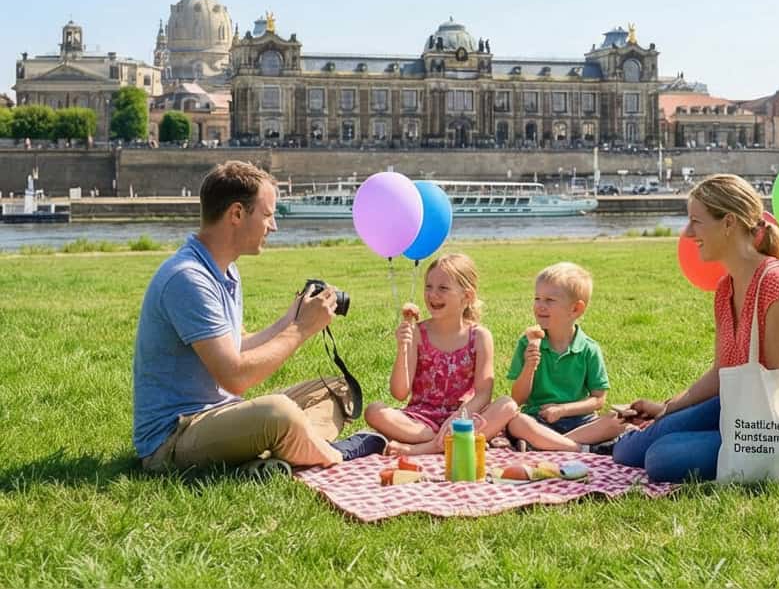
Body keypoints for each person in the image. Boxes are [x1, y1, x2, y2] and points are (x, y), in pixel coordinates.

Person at [133, 161, 356, 474]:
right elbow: (235, 375)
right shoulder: (188, 278)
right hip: (174, 438)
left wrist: (291, 318)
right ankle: (336, 456)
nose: (274, 226)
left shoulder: (225, 270)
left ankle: (273, 457)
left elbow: (236, 346)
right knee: (279, 413)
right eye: (267, 215)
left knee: (338, 389)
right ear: (236, 214)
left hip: (222, 415)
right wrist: (301, 330)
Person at [612, 173, 779, 482]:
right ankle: (627, 438)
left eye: (696, 222)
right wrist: (667, 408)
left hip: (772, 427)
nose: (687, 233)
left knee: (660, 458)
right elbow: (720, 372)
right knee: (627, 453)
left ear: (728, 223)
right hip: (736, 405)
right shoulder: (726, 288)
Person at [363, 253, 517, 455]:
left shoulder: (479, 336)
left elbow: (483, 394)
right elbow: (399, 393)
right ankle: (446, 444)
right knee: (374, 411)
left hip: (464, 417)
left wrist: (458, 418)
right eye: (428, 286)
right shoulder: (418, 333)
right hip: (421, 422)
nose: (433, 294)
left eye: (443, 288)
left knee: (508, 405)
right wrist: (403, 347)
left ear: (467, 296)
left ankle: (424, 449)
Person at [504, 262, 625, 451]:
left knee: (618, 420)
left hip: (579, 420)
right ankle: (579, 448)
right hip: (539, 419)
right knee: (516, 422)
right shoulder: (526, 343)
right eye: (537, 298)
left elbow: (598, 400)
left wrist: (563, 410)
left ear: (575, 309)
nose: (540, 306)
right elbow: (518, 399)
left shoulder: (589, 349)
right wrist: (529, 366)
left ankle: (549, 445)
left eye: (549, 300)